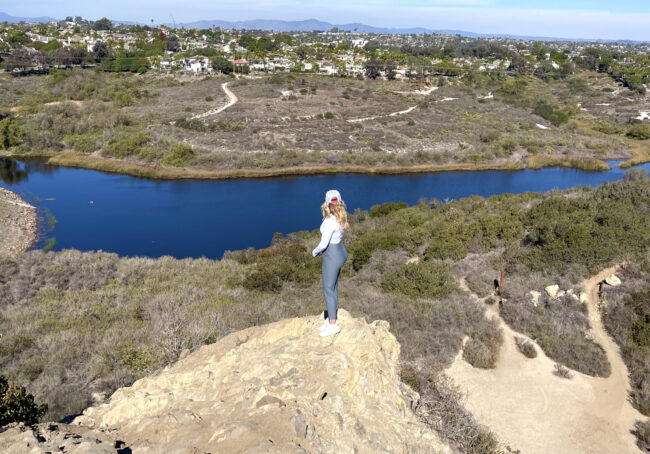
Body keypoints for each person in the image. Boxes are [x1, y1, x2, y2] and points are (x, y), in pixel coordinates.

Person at [312, 189, 348, 337]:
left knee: (328, 289)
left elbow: (323, 243)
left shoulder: (329, 222)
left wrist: (314, 252)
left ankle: (333, 324)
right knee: (333, 288)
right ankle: (331, 317)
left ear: (326, 202)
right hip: (340, 252)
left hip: (331, 256)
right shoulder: (341, 217)